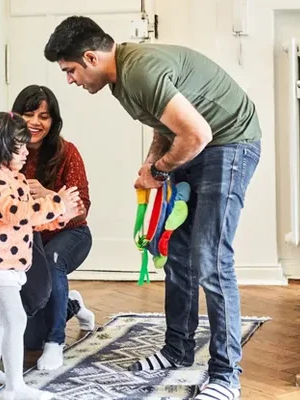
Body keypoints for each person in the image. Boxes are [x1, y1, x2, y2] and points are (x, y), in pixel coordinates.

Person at [43, 16, 262, 400]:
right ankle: (177, 351)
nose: (71, 80)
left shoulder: (139, 71)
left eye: (70, 70)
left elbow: (197, 133)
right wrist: (150, 165)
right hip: (198, 144)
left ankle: (226, 375)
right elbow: (167, 123)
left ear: (91, 58)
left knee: (211, 259)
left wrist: (159, 171)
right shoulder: (121, 78)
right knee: (178, 255)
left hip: (229, 142)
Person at [0, 85, 96, 370]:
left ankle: (55, 341)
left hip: (67, 233)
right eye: (28, 114)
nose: (35, 122)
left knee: (52, 264)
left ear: (53, 121)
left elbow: (79, 208)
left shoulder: (66, 152)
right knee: (28, 337)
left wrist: (49, 195)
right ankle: (70, 304)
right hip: (21, 242)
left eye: (44, 116)